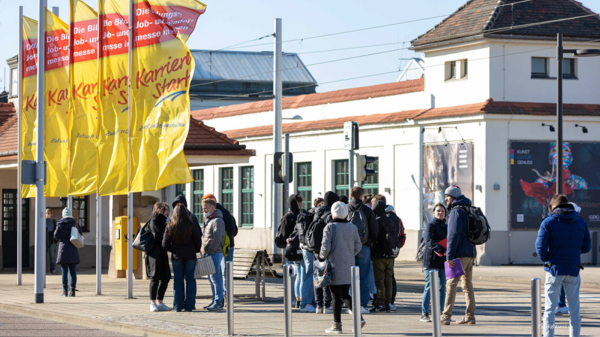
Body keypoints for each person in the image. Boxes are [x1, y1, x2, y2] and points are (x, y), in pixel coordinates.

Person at [536, 194, 591, 337]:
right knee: (574, 310)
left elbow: (540, 248)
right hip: (573, 269)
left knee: (550, 309)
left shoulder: (548, 222)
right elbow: (586, 247)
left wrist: (548, 259)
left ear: (553, 207)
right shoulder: (581, 222)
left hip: (554, 269)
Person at [319, 201, 364, 333]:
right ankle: (359, 318)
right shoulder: (352, 227)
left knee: (335, 296)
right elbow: (358, 246)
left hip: (334, 265)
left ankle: (336, 325)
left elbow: (325, 247)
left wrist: (321, 258)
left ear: (333, 214)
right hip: (349, 265)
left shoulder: (330, 227)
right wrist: (350, 254)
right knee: (345, 294)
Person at [441, 185, 477, 325]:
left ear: (453, 197)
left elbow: (453, 236)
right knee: (467, 285)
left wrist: (449, 256)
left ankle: (446, 316)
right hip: (470, 253)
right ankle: (470, 316)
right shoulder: (468, 209)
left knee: (451, 284)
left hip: (458, 254)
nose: (445, 199)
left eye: (447, 196)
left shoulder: (456, 212)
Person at [163, 204, 202, 312]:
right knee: (190, 280)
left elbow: (164, 244)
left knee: (178, 281)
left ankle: (178, 306)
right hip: (190, 256)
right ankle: (189, 306)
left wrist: (173, 249)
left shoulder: (170, 225)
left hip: (177, 257)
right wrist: (195, 250)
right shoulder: (191, 225)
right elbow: (198, 241)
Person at [201, 194, 237, 305]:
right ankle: (219, 298)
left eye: (206, 207)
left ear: (213, 205)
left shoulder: (222, 214)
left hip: (225, 248)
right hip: (215, 248)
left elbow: (232, 230)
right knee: (216, 275)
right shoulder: (209, 216)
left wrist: (222, 241)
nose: (204, 210)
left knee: (224, 273)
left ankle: (226, 298)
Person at [349, 186, 379, 314]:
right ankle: (362, 305)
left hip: (349, 246)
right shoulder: (367, 210)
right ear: (362, 196)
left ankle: (352, 304)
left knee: (350, 276)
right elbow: (374, 229)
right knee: (364, 276)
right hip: (364, 245)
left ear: (351, 196)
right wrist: (370, 242)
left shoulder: (346, 208)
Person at [311, 191, 339, 314]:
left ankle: (319, 305)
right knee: (326, 276)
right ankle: (327, 304)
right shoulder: (329, 215)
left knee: (318, 276)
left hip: (315, 248)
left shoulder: (316, 212)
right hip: (325, 249)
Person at [421, 203, 447, 322]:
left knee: (443, 287)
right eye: (438, 211)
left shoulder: (447, 226)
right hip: (431, 260)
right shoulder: (430, 225)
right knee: (429, 286)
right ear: (433, 213)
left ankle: (441, 311)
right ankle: (424, 313)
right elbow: (428, 241)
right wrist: (443, 250)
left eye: (442, 211)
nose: (440, 213)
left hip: (443, 261)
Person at [370, 198, 397, 313]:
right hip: (390, 255)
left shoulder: (376, 221)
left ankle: (380, 303)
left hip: (379, 255)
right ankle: (388, 302)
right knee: (388, 279)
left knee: (379, 280)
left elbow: (374, 237)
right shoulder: (390, 220)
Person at [201, 198, 226, 311]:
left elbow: (217, 238)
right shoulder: (209, 219)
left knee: (216, 278)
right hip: (209, 252)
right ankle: (214, 301)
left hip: (215, 253)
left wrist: (210, 251)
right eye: (203, 208)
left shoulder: (218, 221)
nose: (204, 210)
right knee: (212, 278)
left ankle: (218, 302)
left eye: (206, 208)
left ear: (212, 207)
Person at [146, 202, 172, 312]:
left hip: (162, 253)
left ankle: (160, 302)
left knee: (166, 278)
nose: (168, 213)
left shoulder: (163, 222)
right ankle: (152, 303)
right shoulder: (154, 221)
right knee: (155, 278)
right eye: (166, 210)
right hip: (154, 255)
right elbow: (158, 236)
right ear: (159, 210)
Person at [281, 194, 304, 308]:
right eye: (297, 202)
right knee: (292, 275)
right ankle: (292, 299)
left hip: (298, 248)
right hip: (290, 249)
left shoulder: (300, 214)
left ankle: (297, 298)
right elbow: (284, 234)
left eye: (300, 202)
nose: (299, 204)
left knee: (299, 274)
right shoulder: (288, 217)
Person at [54, 207, 81, 297]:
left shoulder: (60, 224)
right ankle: (72, 291)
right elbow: (80, 234)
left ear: (63, 215)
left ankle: (65, 291)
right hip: (73, 249)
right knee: (73, 271)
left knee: (64, 272)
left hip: (63, 250)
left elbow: (56, 236)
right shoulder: (75, 223)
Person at [46, 208, 57, 275]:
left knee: (52, 256)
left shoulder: (54, 221)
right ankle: (42, 269)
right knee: (43, 256)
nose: (47, 214)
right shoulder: (42, 221)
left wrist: (55, 240)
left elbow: (57, 230)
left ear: (51, 214)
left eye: (48, 213)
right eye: (46, 213)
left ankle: (52, 269)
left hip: (52, 241)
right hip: (44, 241)